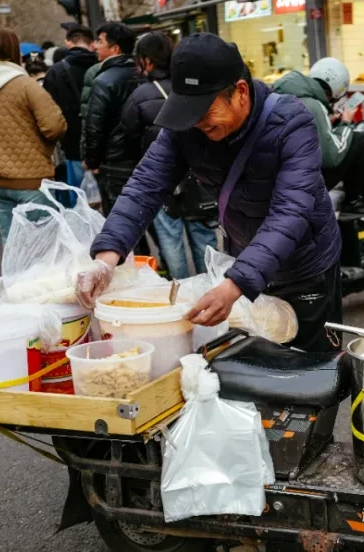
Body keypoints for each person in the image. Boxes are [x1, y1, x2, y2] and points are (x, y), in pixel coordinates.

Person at [79, 33, 342, 352]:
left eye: (204, 113)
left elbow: (291, 212)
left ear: (240, 93)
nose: (197, 124)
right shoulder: (186, 128)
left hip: (304, 265)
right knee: (257, 362)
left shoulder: (292, 122)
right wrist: (106, 259)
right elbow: (146, 185)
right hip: (244, 257)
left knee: (311, 369)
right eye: (189, 113)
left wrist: (235, 284)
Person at [120, 31, 216, 278]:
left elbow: (129, 136)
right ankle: (213, 289)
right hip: (199, 176)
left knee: (170, 240)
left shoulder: (139, 95)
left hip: (162, 180)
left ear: (147, 61)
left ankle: (182, 295)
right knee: (204, 236)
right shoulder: (190, 89)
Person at [0, 27, 67, 242]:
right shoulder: (26, 85)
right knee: (43, 247)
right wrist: (40, 144)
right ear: (12, 50)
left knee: (13, 249)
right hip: (32, 178)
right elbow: (55, 126)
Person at [272, 57, 364, 205]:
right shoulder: (313, 105)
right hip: (302, 186)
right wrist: (345, 122)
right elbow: (331, 157)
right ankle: (353, 202)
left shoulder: (279, 96)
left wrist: (326, 124)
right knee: (360, 139)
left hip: (277, 178)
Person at [83, 22, 144, 219]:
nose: (95, 46)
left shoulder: (103, 81)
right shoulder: (143, 74)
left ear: (115, 48)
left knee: (120, 222)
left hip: (114, 163)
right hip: (145, 158)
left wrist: (92, 160)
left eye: (100, 41)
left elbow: (95, 127)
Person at [43, 27, 98, 196]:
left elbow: (48, 110)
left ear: (68, 43)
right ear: (92, 43)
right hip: (107, 145)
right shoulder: (102, 65)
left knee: (81, 200)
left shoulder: (56, 71)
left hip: (73, 143)